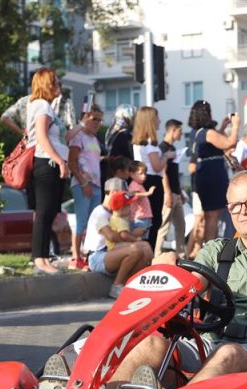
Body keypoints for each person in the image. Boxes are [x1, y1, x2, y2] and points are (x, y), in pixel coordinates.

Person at [104, 171, 247, 389]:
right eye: (236, 205)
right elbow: (190, 283)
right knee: (150, 344)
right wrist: (167, 269)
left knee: (229, 354)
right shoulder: (216, 251)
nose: (244, 211)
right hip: (210, 343)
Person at [27, 68, 69, 275]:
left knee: (48, 212)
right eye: (56, 82)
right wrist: (60, 160)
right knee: (44, 213)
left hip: (47, 162)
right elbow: (42, 137)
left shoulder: (43, 106)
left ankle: (43, 258)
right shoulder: (42, 105)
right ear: (47, 84)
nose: (58, 87)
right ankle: (40, 259)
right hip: (46, 163)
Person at [83, 178, 153, 299]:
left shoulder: (117, 213)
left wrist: (132, 235)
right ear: (112, 193)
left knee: (146, 248)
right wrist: (130, 237)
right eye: (122, 195)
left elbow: (121, 235)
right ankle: (117, 286)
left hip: (112, 252)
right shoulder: (99, 212)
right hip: (98, 256)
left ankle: (131, 284)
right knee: (134, 249)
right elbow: (111, 236)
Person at [188, 100, 240, 242]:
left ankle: (206, 245)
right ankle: (210, 246)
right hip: (212, 175)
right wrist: (235, 125)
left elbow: (214, 143)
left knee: (209, 214)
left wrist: (222, 127)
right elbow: (229, 143)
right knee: (213, 215)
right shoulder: (208, 133)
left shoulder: (197, 132)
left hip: (204, 174)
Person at [67, 106, 104, 270]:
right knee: (81, 221)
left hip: (96, 184)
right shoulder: (78, 137)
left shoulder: (94, 139)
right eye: (93, 119)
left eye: (99, 119)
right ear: (85, 118)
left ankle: (88, 255)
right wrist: (83, 182)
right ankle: (75, 257)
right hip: (82, 184)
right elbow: (72, 162)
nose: (97, 123)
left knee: (93, 222)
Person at [132, 106, 172, 250]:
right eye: (156, 118)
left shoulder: (139, 141)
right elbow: (156, 166)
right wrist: (166, 156)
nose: (159, 121)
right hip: (152, 180)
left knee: (148, 219)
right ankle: (149, 253)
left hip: (144, 179)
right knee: (155, 220)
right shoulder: (149, 142)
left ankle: (145, 252)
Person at [157, 119, 187, 257]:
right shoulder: (162, 149)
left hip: (175, 193)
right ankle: (156, 255)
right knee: (164, 227)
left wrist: (180, 192)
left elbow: (174, 173)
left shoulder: (173, 149)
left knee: (181, 225)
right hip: (167, 193)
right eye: (180, 131)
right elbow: (163, 173)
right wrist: (167, 192)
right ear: (173, 130)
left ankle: (181, 255)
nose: (181, 134)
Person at [127, 161, 157, 239]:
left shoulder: (139, 185)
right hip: (139, 218)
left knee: (143, 239)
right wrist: (148, 193)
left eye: (145, 174)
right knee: (139, 239)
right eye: (140, 174)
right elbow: (135, 195)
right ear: (132, 174)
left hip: (143, 217)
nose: (144, 176)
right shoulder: (134, 185)